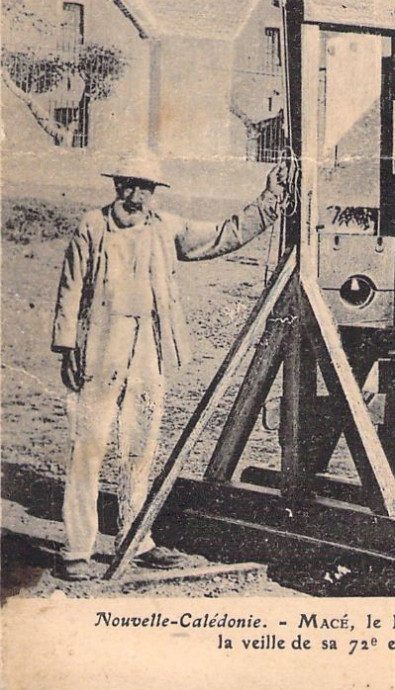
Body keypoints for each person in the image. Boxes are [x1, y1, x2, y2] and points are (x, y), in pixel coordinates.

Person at [51, 150, 287, 581]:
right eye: (127, 184)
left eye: (144, 187)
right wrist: (67, 347)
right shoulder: (92, 226)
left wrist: (269, 201)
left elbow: (221, 236)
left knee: (140, 448)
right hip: (100, 347)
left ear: (155, 193)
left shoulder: (166, 228)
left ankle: (135, 539)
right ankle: (76, 549)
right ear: (116, 185)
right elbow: (70, 289)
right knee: (88, 446)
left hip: (147, 348)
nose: (134, 195)